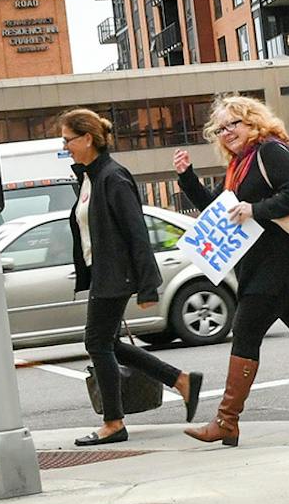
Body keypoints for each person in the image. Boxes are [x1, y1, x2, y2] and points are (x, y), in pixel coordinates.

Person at [172, 95, 289, 446]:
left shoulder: (269, 152)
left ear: (253, 122)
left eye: (235, 124)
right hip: (271, 267)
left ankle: (226, 420)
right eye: (221, 128)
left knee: (245, 331)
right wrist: (187, 177)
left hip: (279, 267)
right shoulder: (240, 164)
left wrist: (255, 209)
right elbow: (217, 208)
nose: (227, 132)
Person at [61, 107, 204, 445]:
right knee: (108, 343)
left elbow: (136, 232)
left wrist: (147, 285)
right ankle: (181, 380)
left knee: (96, 342)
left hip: (116, 274)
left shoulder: (113, 176)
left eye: (68, 139)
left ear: (87, 138)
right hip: (103, 272)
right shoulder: (90, 177)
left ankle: (113, 422)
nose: (64, 146)